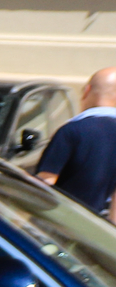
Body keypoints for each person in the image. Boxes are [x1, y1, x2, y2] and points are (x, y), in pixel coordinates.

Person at [37, 67, 116, 218]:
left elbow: (45, 182)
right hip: (100, 228)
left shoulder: (72, 131)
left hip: (63, 221)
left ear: (87, 90)